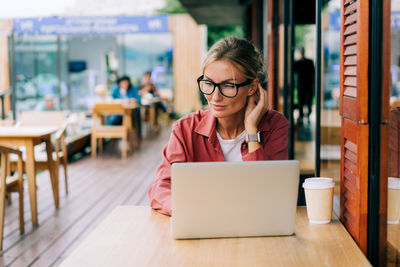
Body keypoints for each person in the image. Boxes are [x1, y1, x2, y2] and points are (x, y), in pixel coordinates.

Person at [148, 36, 289, 216]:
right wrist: (188, 210)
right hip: (201, 226)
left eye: (228, 86)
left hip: (256, 228)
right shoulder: (185, 129)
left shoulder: (275, 126)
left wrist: (252, 130)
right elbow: (161, 188)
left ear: (252, 87)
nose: (215, 97)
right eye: (208, 84)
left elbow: (271, 193)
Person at [294, 47, 315, 125]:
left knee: (309, 101)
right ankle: (301, 117)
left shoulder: (309, 62)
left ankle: (308, 116)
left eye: (303, 52)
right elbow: (293, 71)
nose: (302, 53)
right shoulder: (298, 63)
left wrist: (313, 85)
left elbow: (313, 74)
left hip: (308, 85)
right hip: (301, 86)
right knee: (301, 102)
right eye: (301, 52)